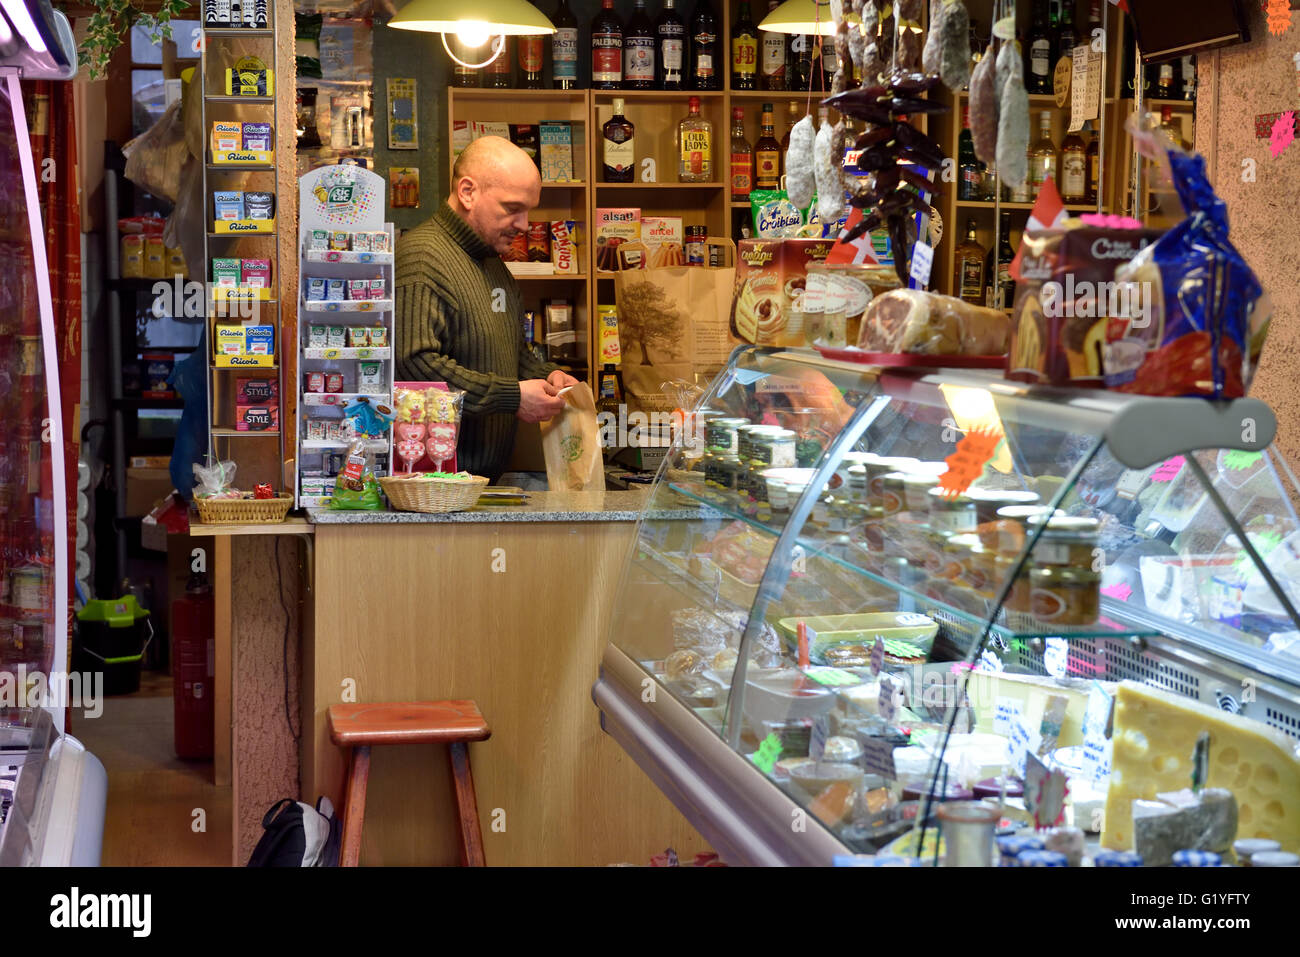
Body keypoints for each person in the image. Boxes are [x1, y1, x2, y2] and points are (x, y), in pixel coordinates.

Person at [395, 136, 579, 481]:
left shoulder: (492, 261)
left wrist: (547, 376)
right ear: (468, 192)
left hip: (481, 483)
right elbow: (413, 365)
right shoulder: (421, 258)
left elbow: (509, 352)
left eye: (529, 211)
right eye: (512, 209)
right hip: (433, 486)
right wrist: (511, 397)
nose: (525, 225)